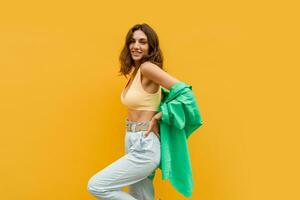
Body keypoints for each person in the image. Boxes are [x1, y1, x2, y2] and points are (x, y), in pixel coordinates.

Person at [87, 23, 181, 200]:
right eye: (132, 41)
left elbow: (184, 92)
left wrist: (162, 114)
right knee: (141, 196)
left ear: (151, 46)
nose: (135, 46)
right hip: (132, 139)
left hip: (144, 144)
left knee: (97, 186)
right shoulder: (137, 72)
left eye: (142, 42)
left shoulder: (148, 68)